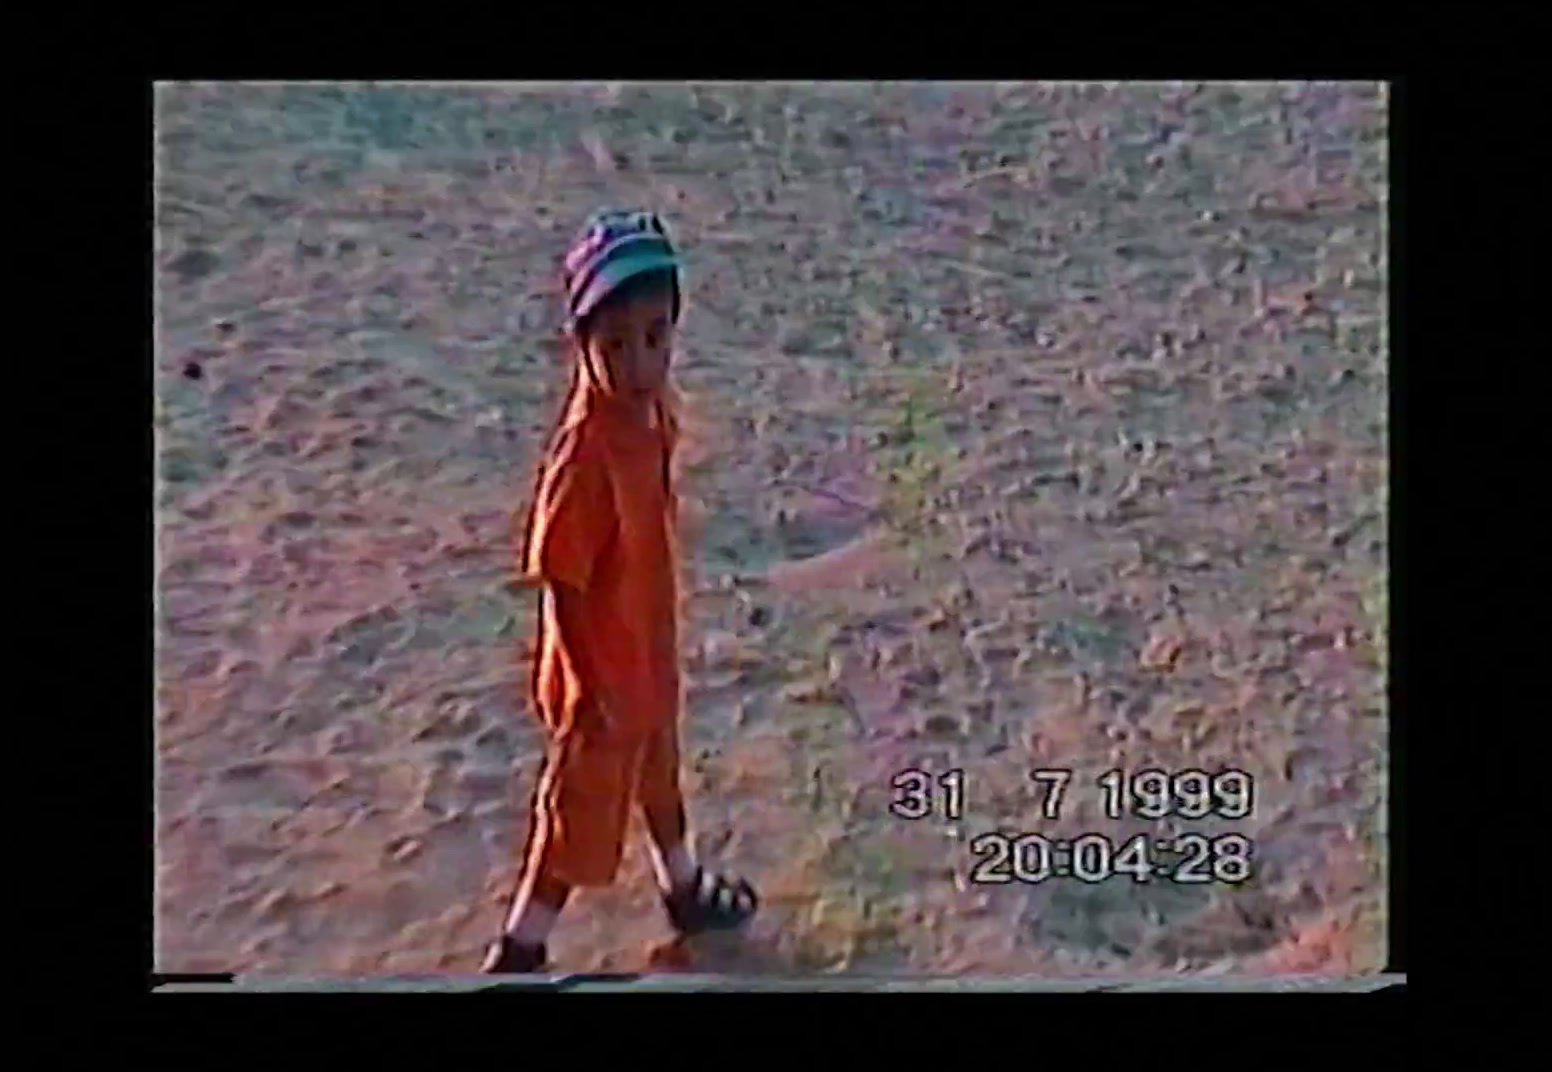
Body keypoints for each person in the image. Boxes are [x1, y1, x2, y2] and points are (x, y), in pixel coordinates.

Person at [481, 210, 759, 974]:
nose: (639, 361)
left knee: (659, 775)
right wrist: (588, 679)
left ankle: (684, 886)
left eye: (655, 338)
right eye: (616, 346)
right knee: (577, 816)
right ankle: (522, 945)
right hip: (601, 676)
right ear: (582, 346)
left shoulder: (652, 415)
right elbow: (561, 581)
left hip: (647, 650)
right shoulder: (587, 453)